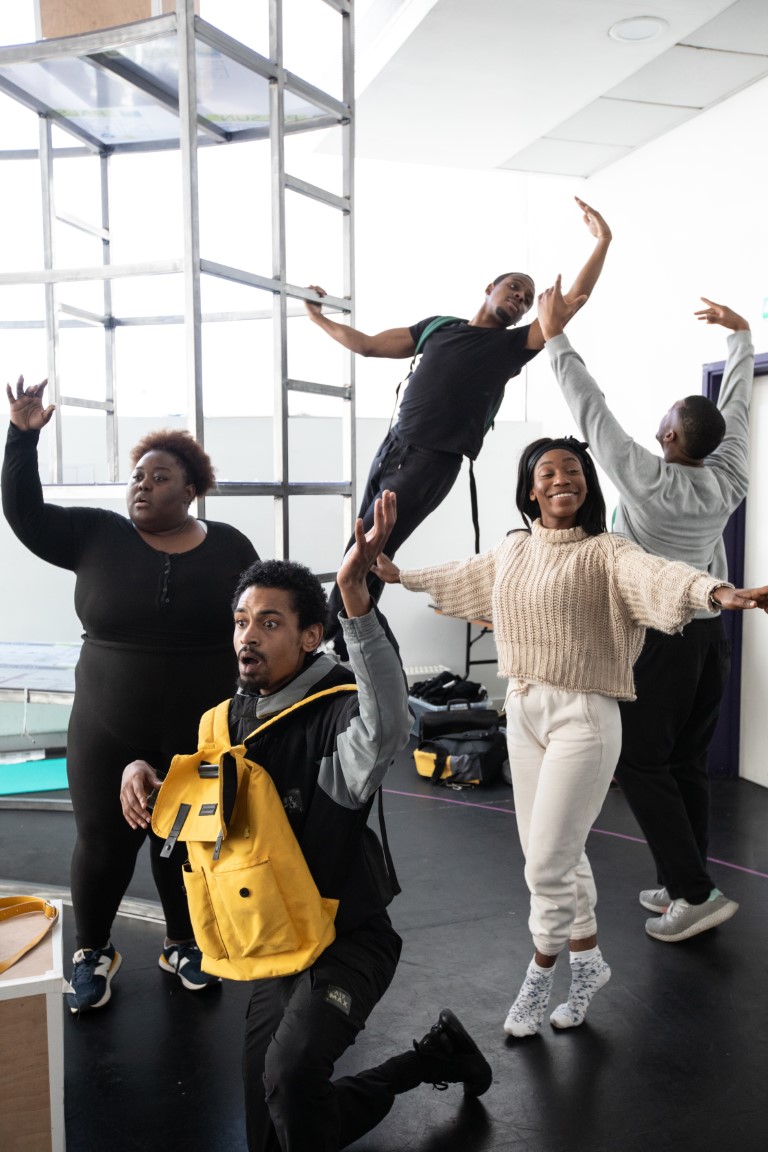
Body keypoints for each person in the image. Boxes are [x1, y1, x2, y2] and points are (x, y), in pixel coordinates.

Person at [120, 491, 493, 1152]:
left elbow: (387, 732)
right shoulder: (222, 721)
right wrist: (142, 774)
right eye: (241, 622)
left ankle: (417, 1064)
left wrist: (355, 597)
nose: (247, 636)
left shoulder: (337, 719)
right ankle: (433, 1057)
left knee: (290, 1080)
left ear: (310, 634)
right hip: (276, 945)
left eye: (268, 622)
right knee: (274, 1126)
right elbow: (197, 806)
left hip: (347, 939)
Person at [373, 438, 768, 1037]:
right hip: (524, 711)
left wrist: (716, 592)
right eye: (547, 471)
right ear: (531, 488)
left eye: (574, 469)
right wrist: (397, 573)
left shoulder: (608, 552)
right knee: (550, 855)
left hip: (584, 718)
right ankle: (588, 962)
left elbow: (660, 577)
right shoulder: (513, 550)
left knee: (546, 866)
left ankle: (538, 974)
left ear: (587, 484)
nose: (562, 478)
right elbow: (461, 575)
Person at [2, 376, 259, 1012]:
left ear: (192, 490)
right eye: (138, 475)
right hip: (106, 727)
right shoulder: (96, 535)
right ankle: (92, 950)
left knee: (186, 840)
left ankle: (183, 942)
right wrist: (22, 438)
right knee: (102, 840)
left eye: (161, 475)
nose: (142, 483)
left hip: (199, 728)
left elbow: (260, 613)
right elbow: (24, 514)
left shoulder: (229, 547)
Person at [537, 279, 754, 942]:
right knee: (685, 760)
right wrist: (740, 337)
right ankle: (680, 874)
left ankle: (694, 892)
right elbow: (739, 409)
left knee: (641, 765)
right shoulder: (731, 475)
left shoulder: (646, 475)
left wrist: (554, 335)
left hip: (659, 639)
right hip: (712, 636)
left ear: (665, 435)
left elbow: (589, 404)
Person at [305, 196, 613, 656]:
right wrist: (318, 317)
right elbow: (368, 346)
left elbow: (567, 305)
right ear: (490, 286)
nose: (522, 299)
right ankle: (344, 646)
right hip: (394, 446)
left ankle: (332, 644)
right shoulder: (438, 328)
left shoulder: (513, 347)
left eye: (528, 298)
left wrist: (602, 241)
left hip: (434, 460)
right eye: (515, 288)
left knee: (368, 549)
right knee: (362, 545)